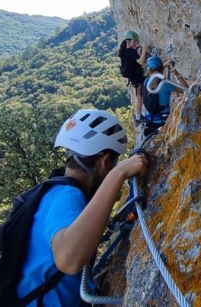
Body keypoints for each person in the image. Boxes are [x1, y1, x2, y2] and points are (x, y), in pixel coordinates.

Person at [16, 109, 149, 306]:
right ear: (105, 162)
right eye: (114, 163)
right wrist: (117, 175)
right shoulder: (66, 197)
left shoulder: (54, 190)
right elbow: (69, 260)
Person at [139, 56, 189, 137]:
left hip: (149, 125)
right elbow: (186, 89)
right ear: (162, 70)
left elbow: (152, 74)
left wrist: (163, 67)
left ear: (148, 70)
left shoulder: (145, 83)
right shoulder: (166, 84)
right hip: (163, 124)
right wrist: (176, 73)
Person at [118, 30, 149, 126]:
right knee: (139, 96)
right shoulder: (129, 51)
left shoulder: (125, 51)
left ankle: (138, 116)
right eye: (134, 41)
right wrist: (144, 49)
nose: (136, 43)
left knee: (138, 95)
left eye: (136, 41)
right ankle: (138, 117)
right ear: (128, 41)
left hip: (134, 76)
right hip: (136, 76)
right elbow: (140, 62)